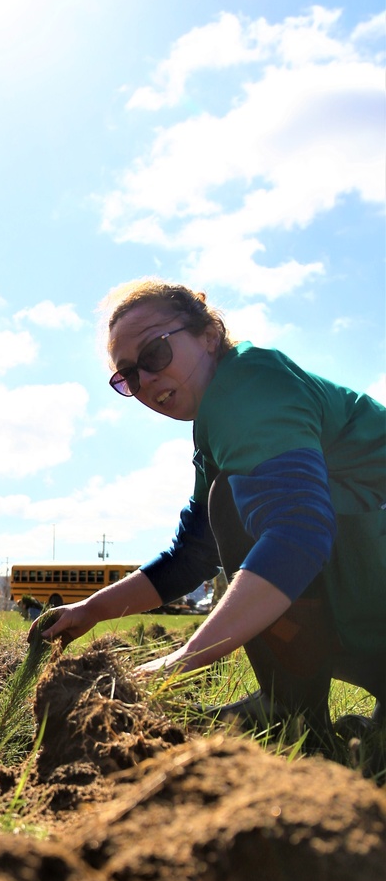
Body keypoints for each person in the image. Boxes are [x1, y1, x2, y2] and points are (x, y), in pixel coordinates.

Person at [37, 278, 386, 727]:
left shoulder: (249, 386)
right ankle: (301, 711)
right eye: (128, 376)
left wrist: (182, 660)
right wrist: (91, 610)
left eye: (154, 354)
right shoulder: (218, 423)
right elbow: (193, 554)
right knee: (230, 504)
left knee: (232, 504)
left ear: (208, 335)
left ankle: (289, 710)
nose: (145, 380)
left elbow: (299, 531)